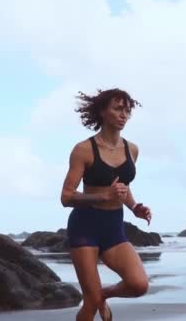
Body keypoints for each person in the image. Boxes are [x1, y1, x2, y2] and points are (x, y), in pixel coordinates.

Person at [60, 88, 152, 321]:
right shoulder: (84, 149)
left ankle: (103, 294)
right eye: (117, 108)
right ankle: (95, 298)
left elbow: (123, 186)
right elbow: (66, 196)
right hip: (85, 227)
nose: (124, 115)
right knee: (90, 303)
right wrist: (102, 196)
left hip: (114, 227)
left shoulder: (132, 149)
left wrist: (134, 207)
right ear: (103, 111)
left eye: (127, 110)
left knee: (139, 284)